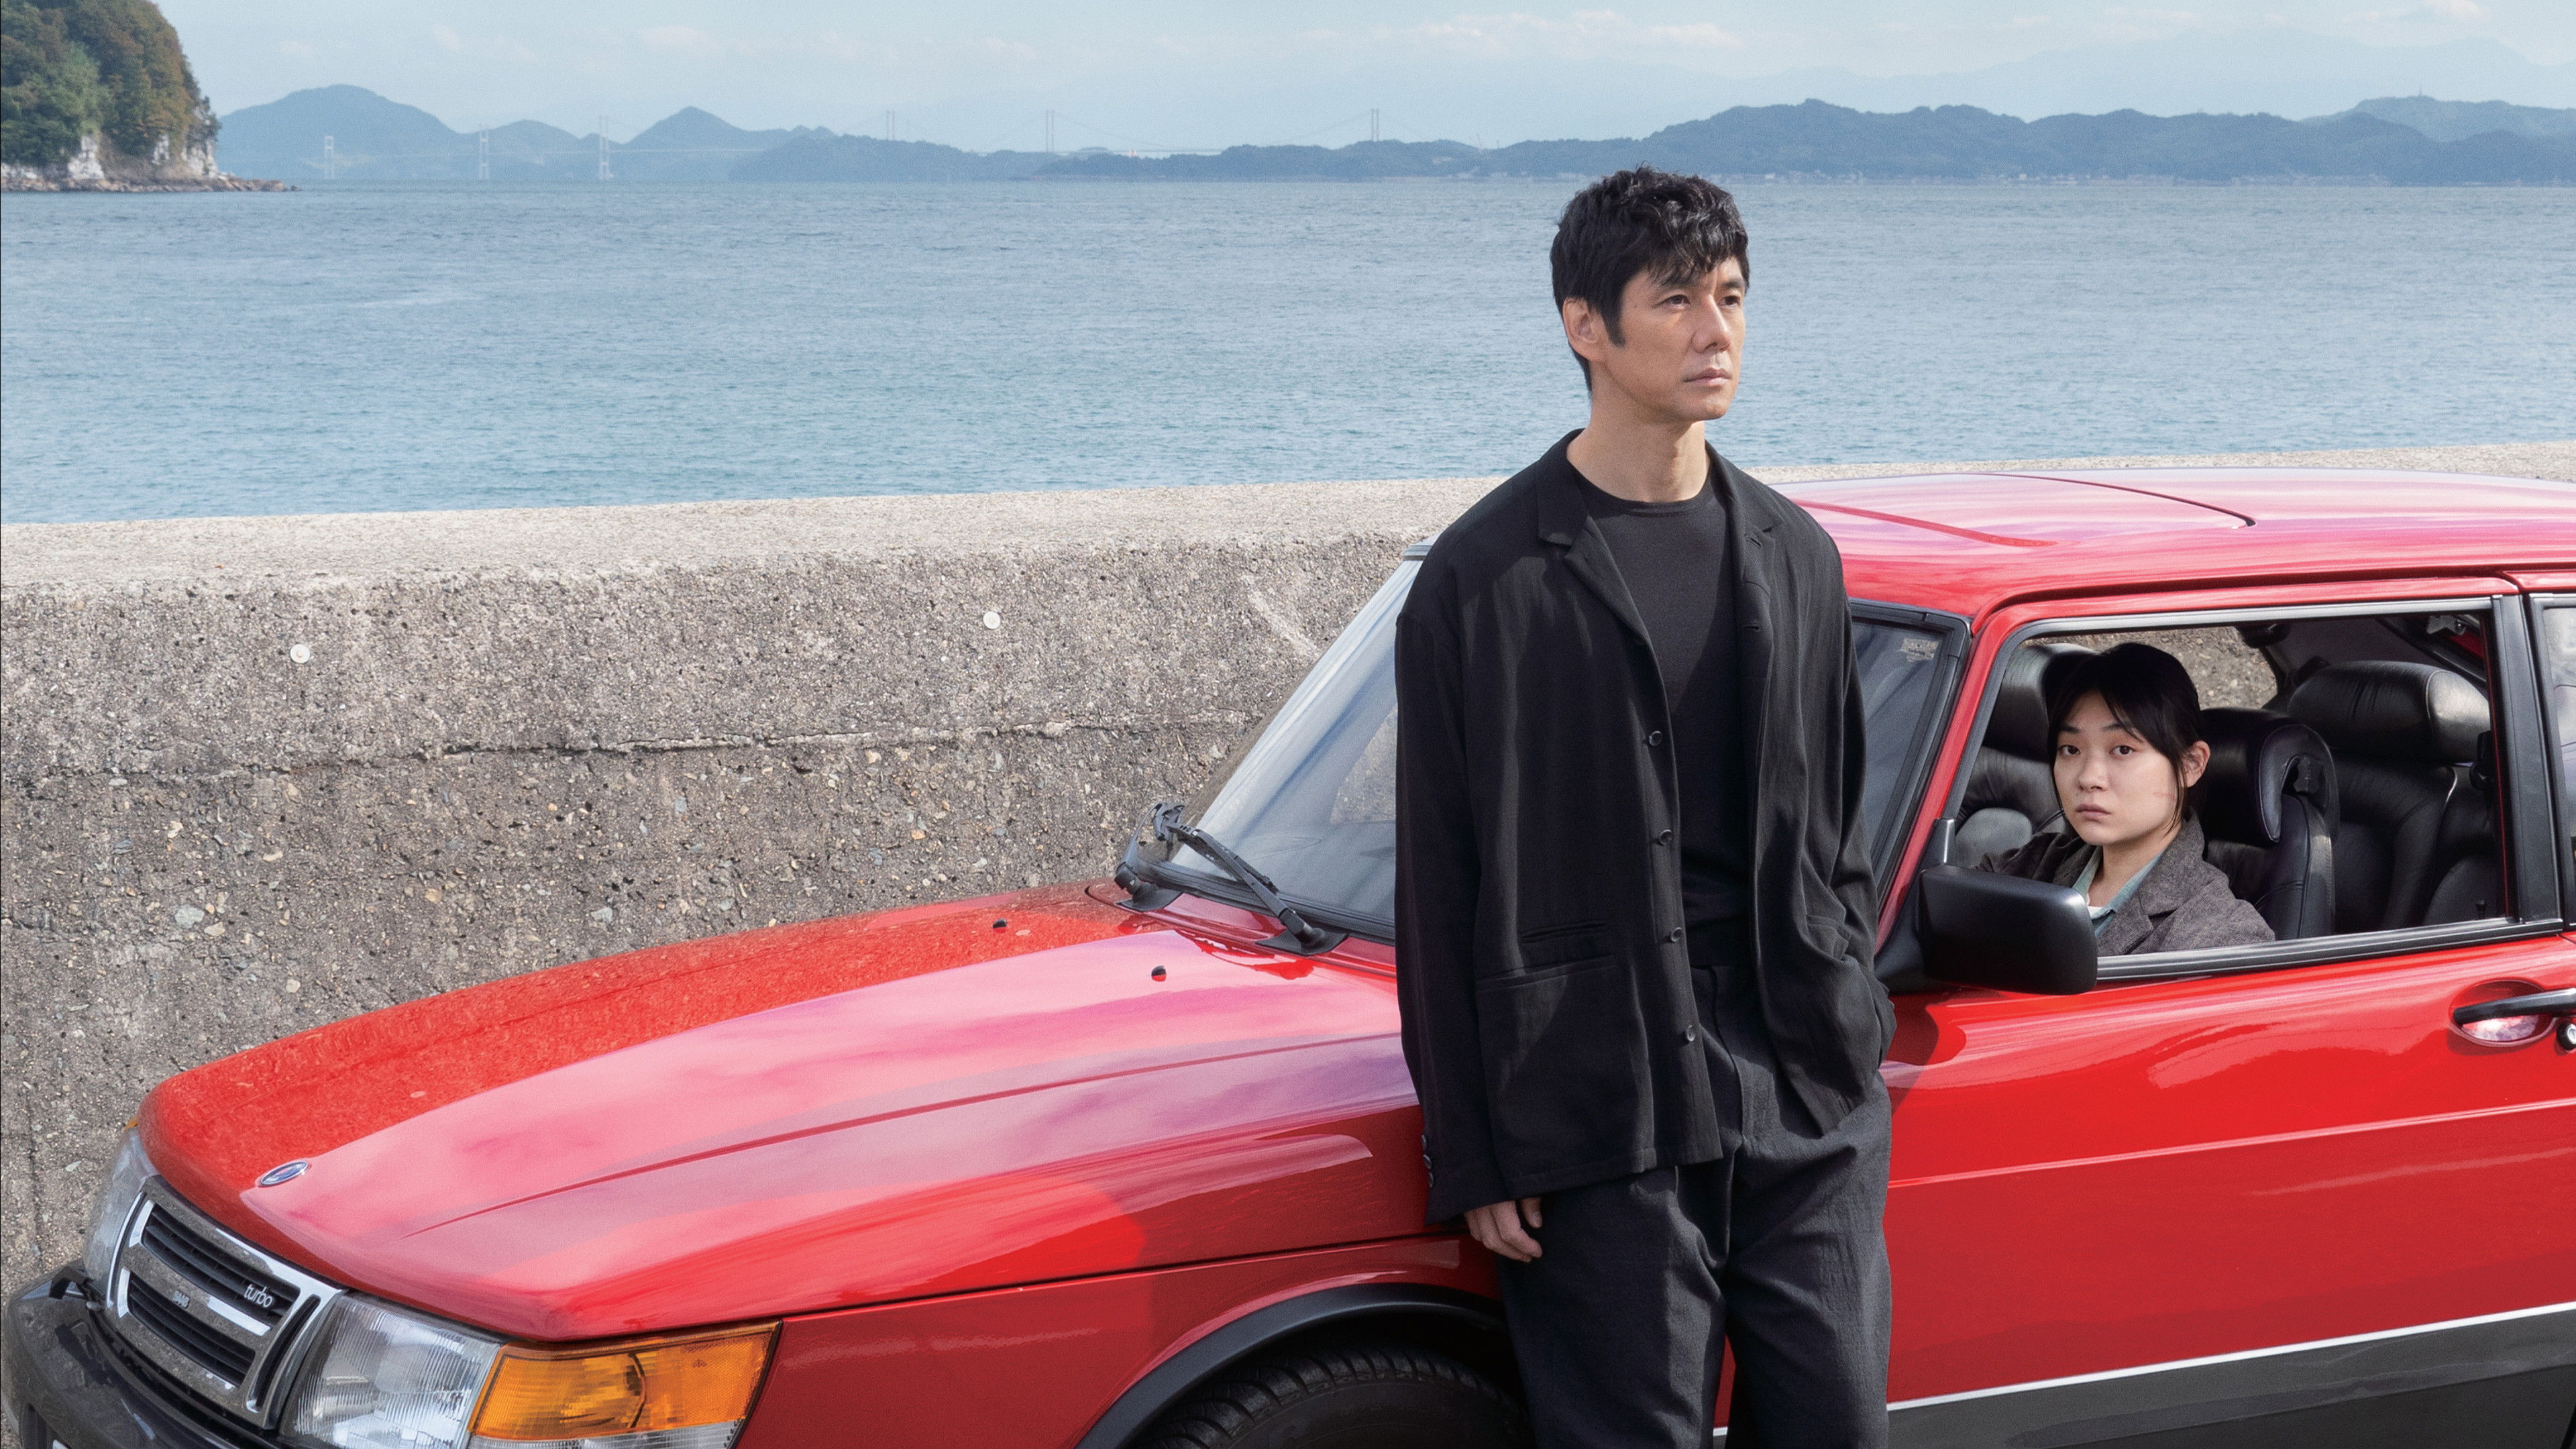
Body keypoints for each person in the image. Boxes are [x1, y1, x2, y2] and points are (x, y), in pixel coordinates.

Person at [1395, 167, 1892, 1448]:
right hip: (1595, 1094)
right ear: (1587, 327)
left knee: (1837, 1422)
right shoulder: (1483, 578)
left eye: (1730, 296)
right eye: (1675, 301)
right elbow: (1440, 884)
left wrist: (1851, 1008)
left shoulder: (1796, 552)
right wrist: (1474, 1150)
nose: (1715, 331)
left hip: (1801, 1078)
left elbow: (1838, 828)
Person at [1980, 642, 2273, 955]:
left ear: (2191, 765)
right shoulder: (2036, 864)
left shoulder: (2222, 937)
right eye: (2071, 749)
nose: (2088, 778)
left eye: (2123, 750)